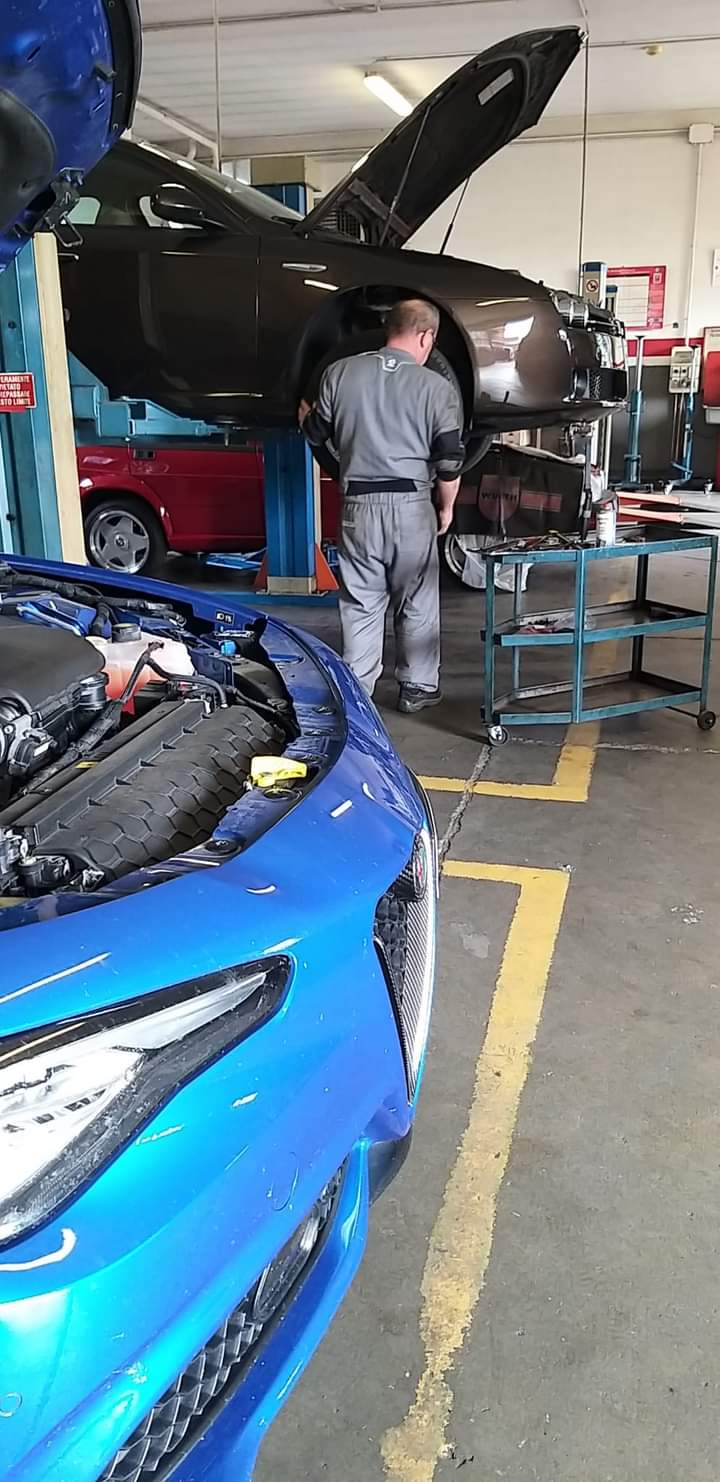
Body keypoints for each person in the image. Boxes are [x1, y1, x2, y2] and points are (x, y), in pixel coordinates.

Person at [299, 298, 464, 712]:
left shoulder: (340, 372)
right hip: (411, 506)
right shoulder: (435, 387)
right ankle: (417, 687)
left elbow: (316, 434)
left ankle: (358, 692)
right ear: (426, 336)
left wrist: (304, 416)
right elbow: (449, 462)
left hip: (358, 508)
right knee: (417, 599)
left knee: (361, 604)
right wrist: (446, 508)